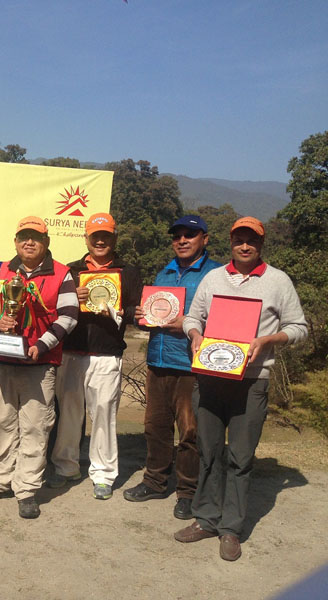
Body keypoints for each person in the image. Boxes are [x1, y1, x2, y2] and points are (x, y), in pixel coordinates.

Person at [174, 216, 307, 561]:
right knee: (209, 451)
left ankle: (230, 529)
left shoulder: (278, 281)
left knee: (241, 458)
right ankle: (206, 519)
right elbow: (192, 317)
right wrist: (195, 335)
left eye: (252, 240)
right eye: (239, 240)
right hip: (211, 377)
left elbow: (299, 328)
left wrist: (268, 339)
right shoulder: (213, 278)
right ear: (230, 243)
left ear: (261, 244)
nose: (245, 246)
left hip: (252, 381)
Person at [0, 216, 78, 519]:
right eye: (23, 237)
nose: (29, 242)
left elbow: (69, 316)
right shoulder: (6, 270)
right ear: (15, 241)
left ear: (47, 242)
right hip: (4, 361)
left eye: (36, 237)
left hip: (39, 363)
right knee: (2, 421)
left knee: (35, 426)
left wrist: (41, 344)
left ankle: (27, 488)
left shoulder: (62, 273)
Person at [123, 216, 221, 519]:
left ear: (204, 238)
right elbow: (154, 312)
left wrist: (191, 323)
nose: (182, 240)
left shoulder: (216, 274)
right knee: (155, 427)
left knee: (190, 431)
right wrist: (142, 313)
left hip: (192, 365)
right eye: (177, 235)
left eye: (189, 235)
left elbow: (224, 318)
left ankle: (188, 492)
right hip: (158, 359)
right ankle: (154, 481)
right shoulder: (164, 273)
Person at [49, 213, 142, 500]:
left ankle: (103, 474)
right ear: (86, 238)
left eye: (106, 235)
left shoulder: (129, 271)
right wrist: (71, 300)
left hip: (107, 353)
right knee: (69, 414)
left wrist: (117, 309)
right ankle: (65, 468)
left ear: (114, 237)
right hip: (72, 352)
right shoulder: (70, 271)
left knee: (103, 415)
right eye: (95, 235)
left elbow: (137, 311)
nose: (100, 240)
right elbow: (54, 308)